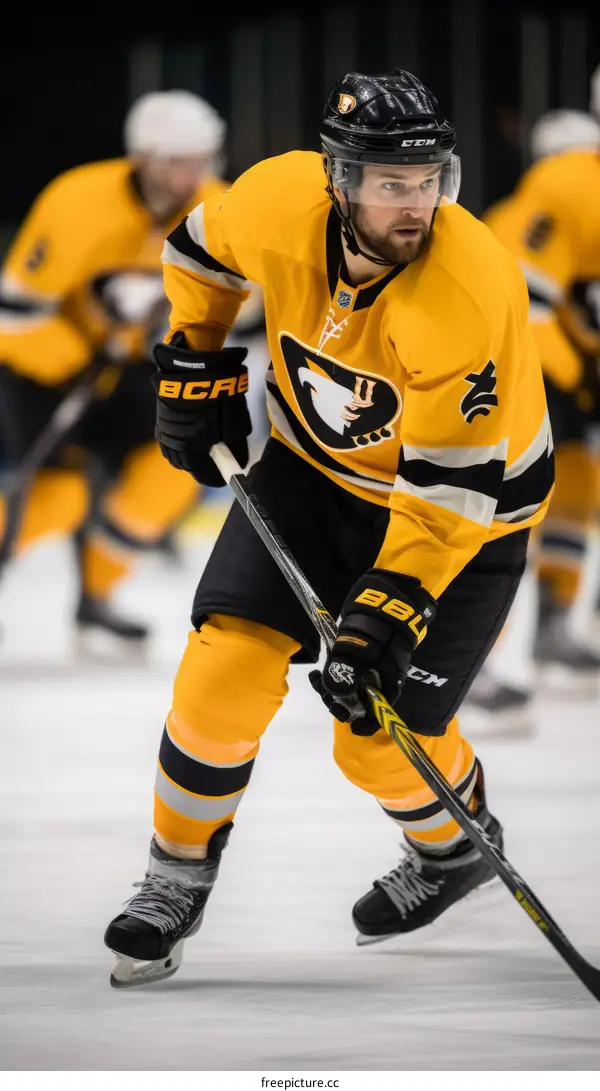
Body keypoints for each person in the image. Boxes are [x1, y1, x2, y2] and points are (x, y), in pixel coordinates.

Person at [103, 69, 553, 988]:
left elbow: (451, 491)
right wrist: (195, 353)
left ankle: (453, 849)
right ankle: (174, 876)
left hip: (467, 514)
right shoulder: (275, 198)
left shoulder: (467, 292)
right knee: (221, 674)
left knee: (377, 739)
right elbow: (197, 249)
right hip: (312, 476)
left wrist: (389, 605)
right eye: (392, 183)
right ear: (339, 180)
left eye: (429, 180)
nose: (416, 204)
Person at [0, 89, 253, 653]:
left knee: (176, 469)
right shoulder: (77, 199)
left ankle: (97, 596)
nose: (195, 173)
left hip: (132, 368)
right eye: (180, 161)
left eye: (203, 158)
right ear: (143, 158)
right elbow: (14, 311)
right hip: (44, 368)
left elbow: (244, 301)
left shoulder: (216, 208)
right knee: (57, 495)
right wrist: (73, 358)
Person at [465, 105, 600, 733]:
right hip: (511, 376)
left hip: (555, 378)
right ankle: (458, 662)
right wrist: (573, 372)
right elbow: (529, 295)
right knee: (498, 513)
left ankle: (551, 624)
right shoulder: (541, 204)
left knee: (570, 489)